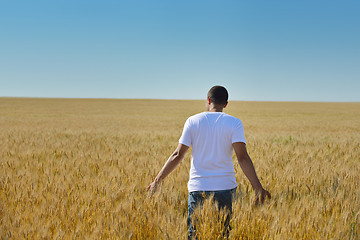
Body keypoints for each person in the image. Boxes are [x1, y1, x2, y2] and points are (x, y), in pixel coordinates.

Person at [147, 85, 271, 239]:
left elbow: (178, 154)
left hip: (198, 187)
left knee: (195, 234)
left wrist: (157, 181)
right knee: (224, 233)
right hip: (225, 187)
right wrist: (258, 188)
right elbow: (242, 157)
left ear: (208, 100)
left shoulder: (193, 121)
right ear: (226, 104)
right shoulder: (234, 123)